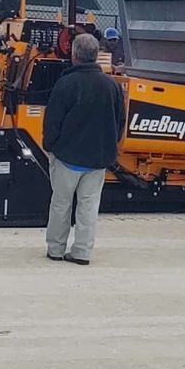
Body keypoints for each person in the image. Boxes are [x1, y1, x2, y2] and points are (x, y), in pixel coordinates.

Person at [42, 32, 125, 266]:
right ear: (97, 55)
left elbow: (53, 120)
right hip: (98, 158)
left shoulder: (66, 83)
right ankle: (82, 252)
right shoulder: (112, 86)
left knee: (61, 203)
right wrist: (111, 146)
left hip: (67, 156)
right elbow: (120, 121)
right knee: (89, 207)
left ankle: (56, 249)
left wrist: (50, 146)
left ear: (74, 54)